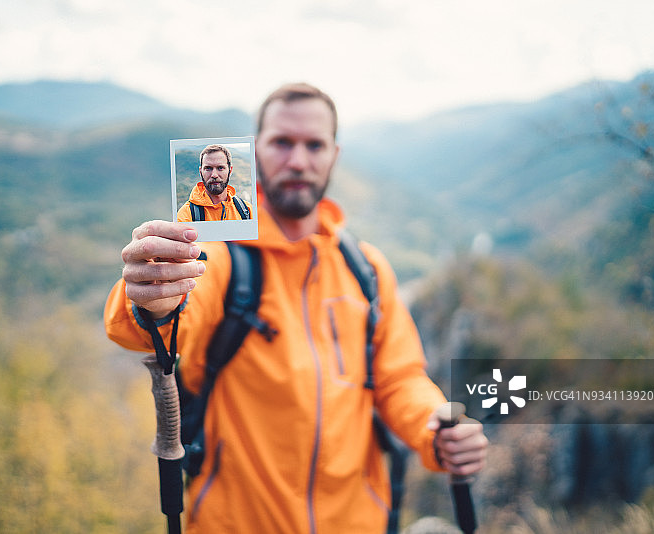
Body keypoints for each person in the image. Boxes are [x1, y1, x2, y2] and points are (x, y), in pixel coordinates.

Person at [105, 83, 488, 533]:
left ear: (334, 155)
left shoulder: (366, 269)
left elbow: (398, 378)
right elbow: (152, 322)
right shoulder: (221, 255)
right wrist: (154, 298)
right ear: (255, 151)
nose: (298, 160)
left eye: (314, 145)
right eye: (282, 142)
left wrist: (434, 429)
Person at [177, 144, 252, 222]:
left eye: (220, 168)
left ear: (230, 170)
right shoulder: (186, 215)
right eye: (208, 168)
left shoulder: (248, 211)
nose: (214, 175)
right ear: (200, 171)